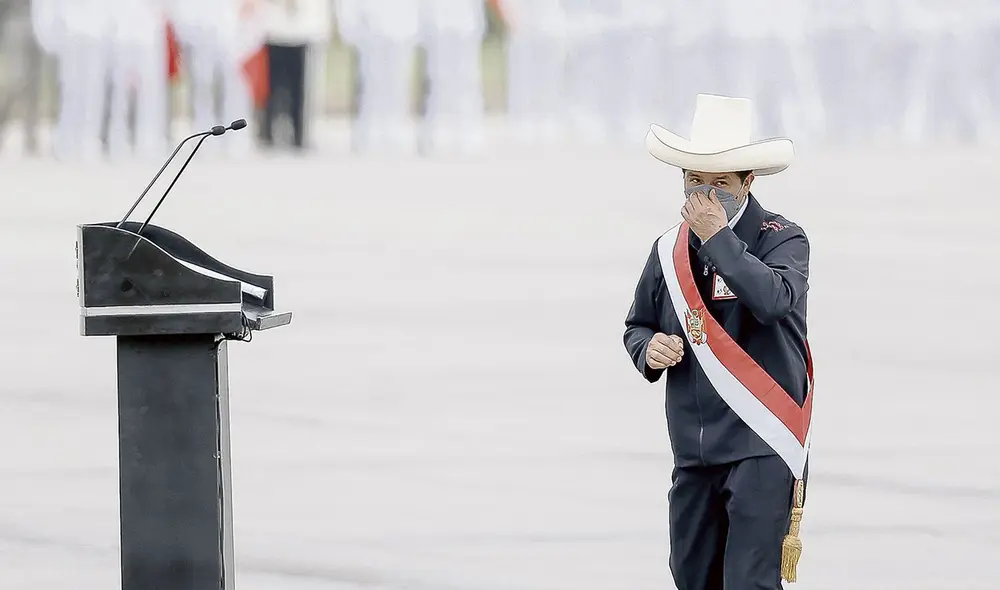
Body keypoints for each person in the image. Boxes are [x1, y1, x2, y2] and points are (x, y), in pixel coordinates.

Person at [623, 94, 814, 589]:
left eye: (720, 183)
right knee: (691, 577)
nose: (705, 195)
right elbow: (636, 324)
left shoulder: (782, 238)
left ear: (748, 181)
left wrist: (718, 239)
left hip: (760, 443)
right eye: (695, 181)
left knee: (748, 582)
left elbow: (773, 300)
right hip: (694, 449)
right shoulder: (668, 250)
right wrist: (649, 349)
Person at [336, 0, 420, 155]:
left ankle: (395, 129)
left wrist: (418, 23)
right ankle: (368, 131)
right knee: (370, 84)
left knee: (398, 84)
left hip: (401, 26)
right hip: (369, 26)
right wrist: (347, 22)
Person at [259, 0, 332, 150]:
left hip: (301, 32)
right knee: (272, 89)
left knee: (299, 90)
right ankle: (268, 133)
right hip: (274, 32)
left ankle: (299, 134)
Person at [418, 0, 487, 155]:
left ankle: (469, 129)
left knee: (467, 77)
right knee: (438, 77)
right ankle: (435, 130)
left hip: (466, 18)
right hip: (437, 16)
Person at [107, 0, 170, 159]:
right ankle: (117, 142)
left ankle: (148, 143)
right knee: (120, 94)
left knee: (150, 93)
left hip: (149, 33)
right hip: (120, 32)